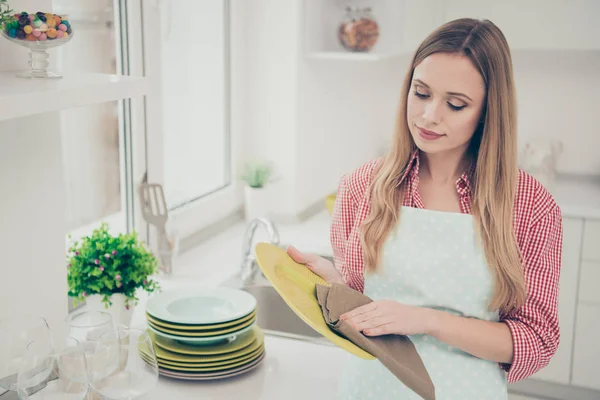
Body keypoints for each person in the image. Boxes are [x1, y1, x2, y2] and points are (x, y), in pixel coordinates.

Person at [287, 18, 563, 400]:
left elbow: (536, 340)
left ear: (487, 111)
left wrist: (426, 320)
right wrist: (334, 283)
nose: (430, 116)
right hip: (369, 390)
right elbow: (365, 307)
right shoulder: (362, 186)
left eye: (455, 104)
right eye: (421, 93)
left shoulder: (529, 205)